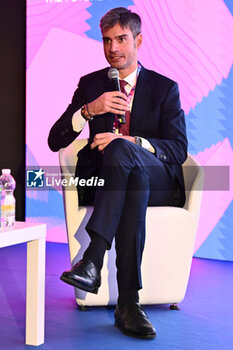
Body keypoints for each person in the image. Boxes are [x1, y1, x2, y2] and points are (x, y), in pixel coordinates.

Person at [48, 7, 187, 339]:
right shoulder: (91, 85)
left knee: (125, 151)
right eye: (107, 40)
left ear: (138, 40)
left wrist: (131, 142)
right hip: (110, 182)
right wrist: (88, 110)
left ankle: (93, 258)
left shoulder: (164, 88)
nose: (113, 48)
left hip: (159, 181)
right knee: (131, 180)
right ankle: (128, 304)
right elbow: (55, 140)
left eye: (122, 39)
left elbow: (178, 149)